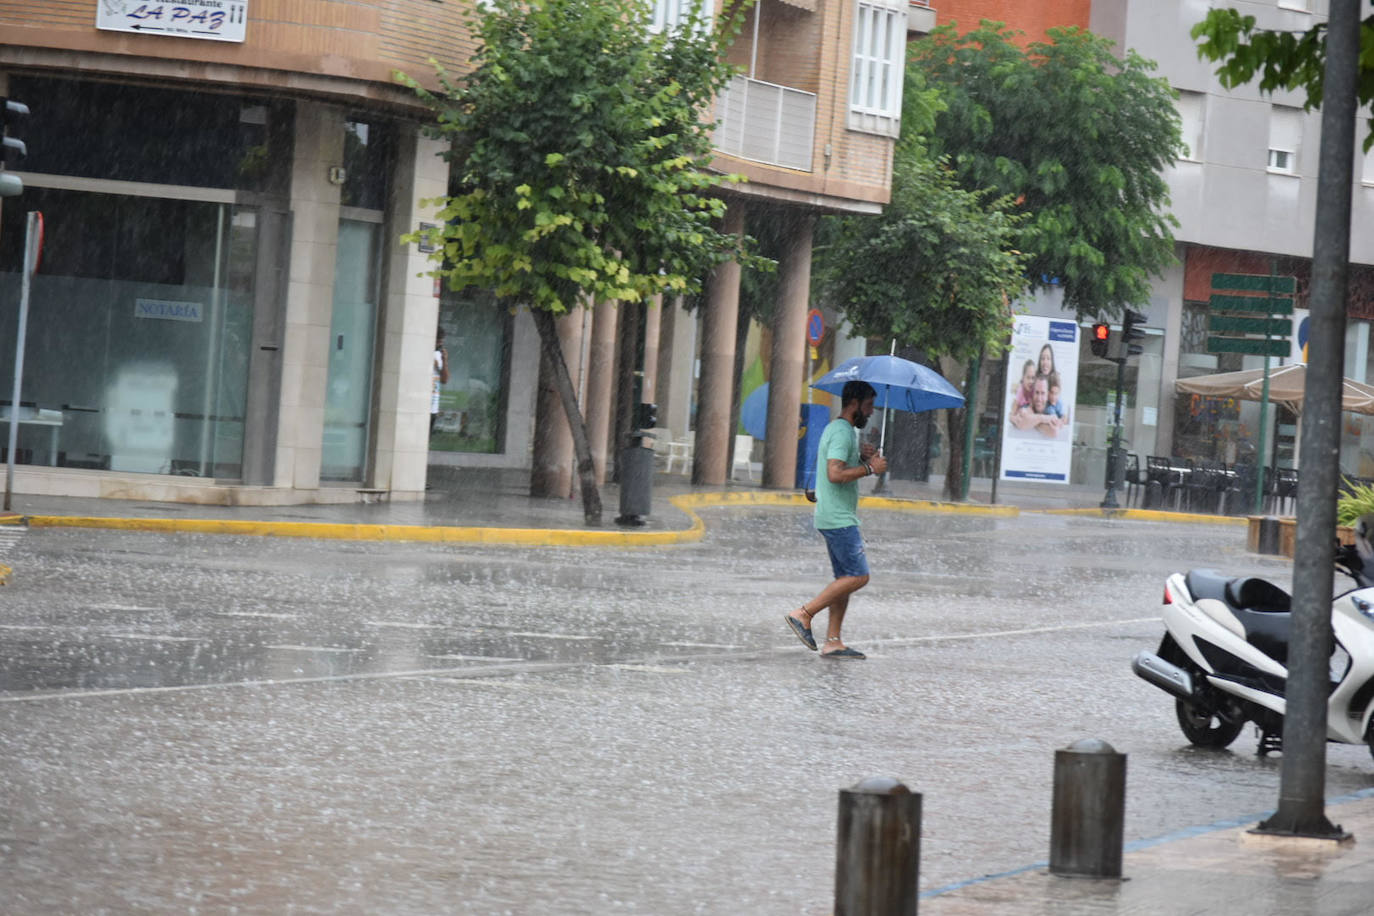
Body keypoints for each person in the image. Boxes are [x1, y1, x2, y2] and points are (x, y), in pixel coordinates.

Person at [784, 380, 888, 660]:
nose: (871, 411)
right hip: (839, 517)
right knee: (858, 576)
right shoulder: (843, 432)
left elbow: (838, 465)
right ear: (854, 403)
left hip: (832, 514)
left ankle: (834, 641)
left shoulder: (839, 429)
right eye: (868, 405)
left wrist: (860, 455)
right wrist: (869, 468)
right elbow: (835, 474)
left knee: (844, 579)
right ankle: (803, 614)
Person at [431, 327, 449, 436]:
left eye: (441, 342)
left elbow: (444, 380)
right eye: (438, 341)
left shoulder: (439, 355)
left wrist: (444, 361)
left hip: (433, 405)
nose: (439, 344)